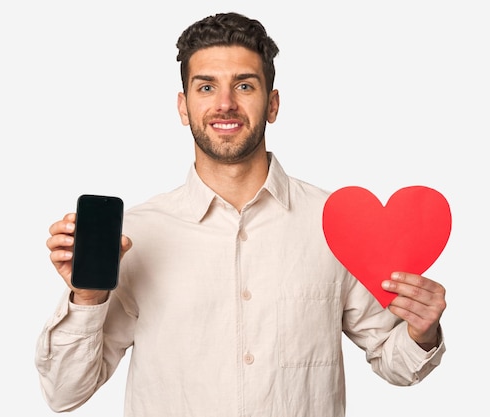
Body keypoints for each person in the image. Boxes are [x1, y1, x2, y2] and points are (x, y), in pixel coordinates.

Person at [36, 11, 446, 417]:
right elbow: (66, 393)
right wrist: (86, 298)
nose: (225, 104)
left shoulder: (333, 224)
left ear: (272, 103)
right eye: (207, 87)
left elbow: (395, 363)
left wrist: (421, 331)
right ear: (183, 107)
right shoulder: (135, 237)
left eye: (244, 85)